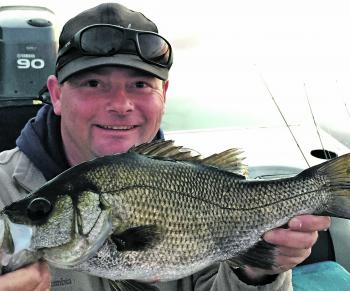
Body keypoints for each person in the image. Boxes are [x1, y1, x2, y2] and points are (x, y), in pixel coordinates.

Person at [0, 2, 330, 291]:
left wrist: (258, 272)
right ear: (56, 94)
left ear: (164, 95)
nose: (121, 104)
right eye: (93, 83)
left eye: (140, 84)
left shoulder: (188, 182)